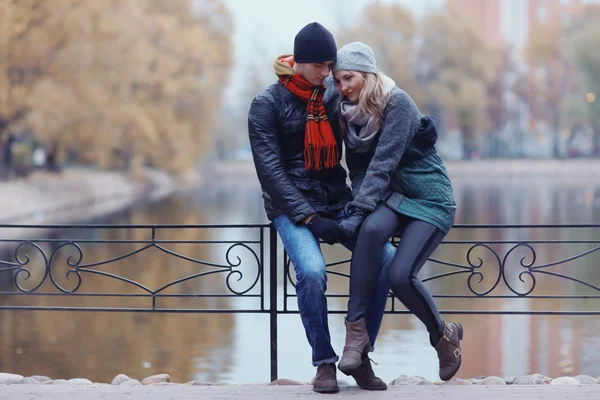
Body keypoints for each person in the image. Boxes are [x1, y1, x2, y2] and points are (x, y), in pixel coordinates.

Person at [248, 25, 393, 393]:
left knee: (388, 259)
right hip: (291, 206)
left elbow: (377, 109)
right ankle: (324, 363)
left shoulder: (332, 94)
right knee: (312, 273)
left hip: (336, 198)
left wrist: (418, 133)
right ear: (297, 62)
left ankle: (358, 355)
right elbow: (271, 174)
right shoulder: (266, 104)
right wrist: (312, 219)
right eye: (319, 66)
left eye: (331, 66)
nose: (327, 74)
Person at [332, 42, 463, 382]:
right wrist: (362, 208)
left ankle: (444, 336)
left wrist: (357, 211)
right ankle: (355, 336)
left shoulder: (398, 103)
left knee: (400, 276)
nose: (343, 87)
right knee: (371, 230)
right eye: (337, 80)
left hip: (428, 197)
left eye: (349, 78)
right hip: (393, 195)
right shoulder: (348, 112)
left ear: (368, 74)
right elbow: (360, 171)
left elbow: (382, 164)